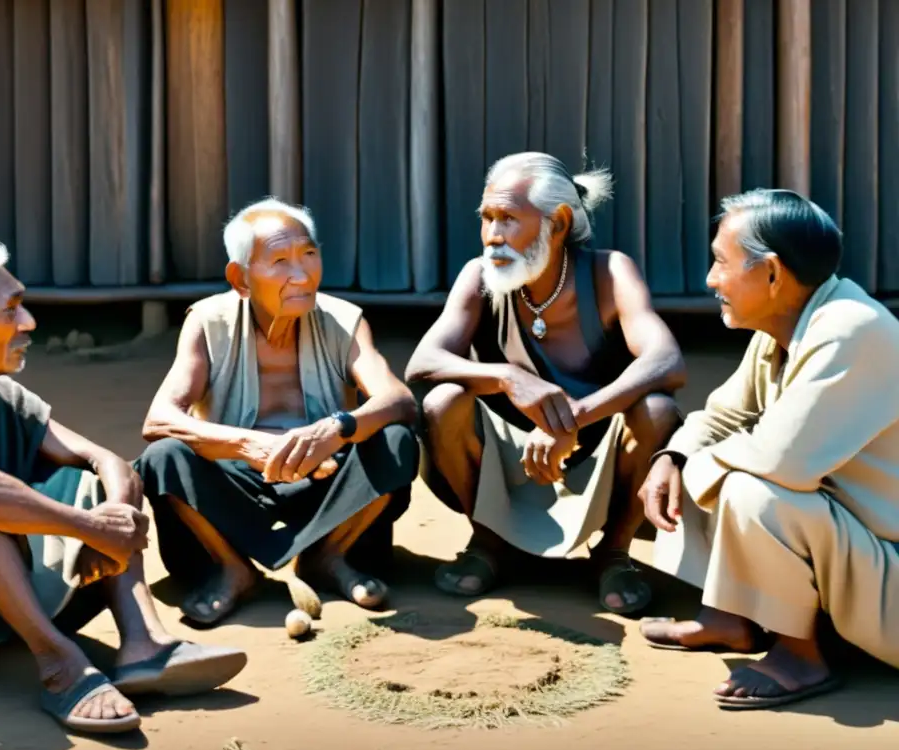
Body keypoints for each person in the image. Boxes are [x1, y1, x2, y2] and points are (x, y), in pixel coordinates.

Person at [0, 237, 247, 736]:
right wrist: (89, 528)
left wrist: (110, 520)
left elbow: (107, 460)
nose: (28, 322)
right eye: (11, 310)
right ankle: (58, 663)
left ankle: (144, 643)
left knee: (88, 484)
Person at [640, 189, 899, 710]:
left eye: (721, 262)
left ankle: (799, 656)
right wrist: (672, 458)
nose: (711, 280)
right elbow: (721, 415)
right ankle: (729, 616)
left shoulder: (854, 328)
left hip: (889, 575)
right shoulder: (783, 325)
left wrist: (696, 461)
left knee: (752, 490)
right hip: (858, 551)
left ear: (773, 275)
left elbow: (784, 464)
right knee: (703, 456)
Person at [405, 151, 686, 614]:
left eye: (509, 219)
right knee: (442, 402)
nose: (493, 236)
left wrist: (572, 418)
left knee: (655, 410)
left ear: (557, 224)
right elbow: (423, 362)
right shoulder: (478, 277)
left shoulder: (610, 272)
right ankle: (490, 542)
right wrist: (508, 377)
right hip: (508, 456)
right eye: (487, 218)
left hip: (595, 453)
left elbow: (666, 360)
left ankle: (614, 553)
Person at [137, 197, 419, 627]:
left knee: (396, 439)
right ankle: (232, 568)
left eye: (309, 255)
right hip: (237, 480)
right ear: (241, 278)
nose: (302, 275)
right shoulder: (209, 321)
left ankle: (330, 556)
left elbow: (398, 400)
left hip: (327, 479)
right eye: (281, 261)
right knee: (164, 457)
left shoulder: (344, 320)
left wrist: (336, 429)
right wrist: (250, 445)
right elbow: (159, 420)